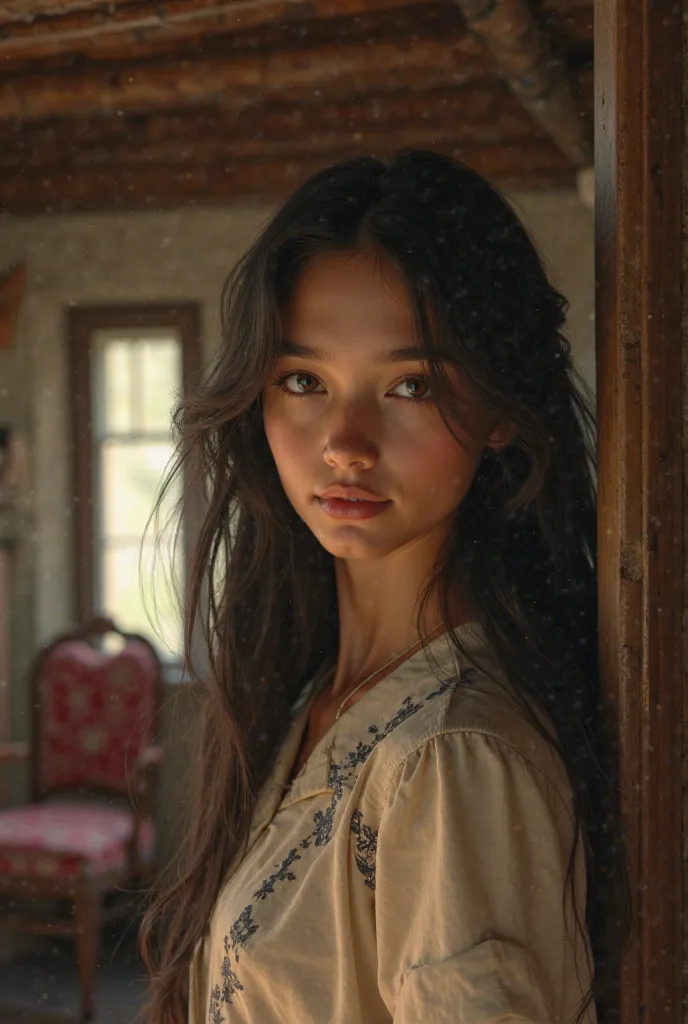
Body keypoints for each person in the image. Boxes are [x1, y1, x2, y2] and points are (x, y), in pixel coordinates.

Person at [140, 151, 629, 1023]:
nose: (346, 442)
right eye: (304, 381)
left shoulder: (453, 758)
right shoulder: (317, 701)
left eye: (411, 385)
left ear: (503, 411)